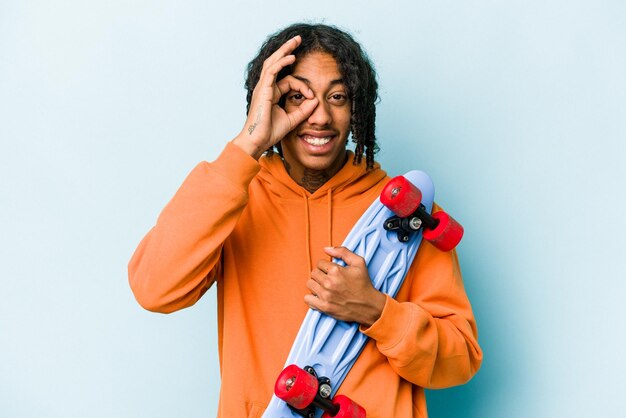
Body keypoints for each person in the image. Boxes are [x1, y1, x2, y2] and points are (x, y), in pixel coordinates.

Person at [128, 23, 482, 417]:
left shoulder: (403, 214)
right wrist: (249, 144)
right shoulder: (233, 197)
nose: (320, 117)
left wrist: (376, 311)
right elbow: (154, 288)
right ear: (269, 102)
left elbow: (460, 358)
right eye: (298, 97)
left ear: (357, 108)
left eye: (337, 96)